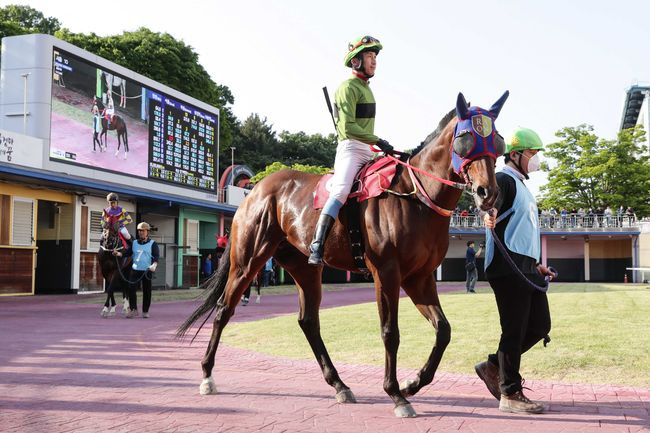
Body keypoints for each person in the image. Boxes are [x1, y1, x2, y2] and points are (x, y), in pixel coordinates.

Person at [474, 127, 556, 414]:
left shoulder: (522, 185)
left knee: (539, 326)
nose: (536, 159)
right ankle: (509, 394)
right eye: (532, 154)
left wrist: (537, 265)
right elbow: (487, 202)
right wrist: (488, 213)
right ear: (516, 154)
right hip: (507, 267)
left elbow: (523, 231)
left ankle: (494, 366)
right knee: (514, 330)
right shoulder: (505, 180)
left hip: (527, 268)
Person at [308, 35, 394, 265]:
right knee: (341, 190)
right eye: (369, 56)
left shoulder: (367, 89)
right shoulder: (347, 88)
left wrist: (380, 146)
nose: (374, 61)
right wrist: (378, 139)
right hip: (351, 149)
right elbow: (347, 127)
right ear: (356, 62)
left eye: (375, 56)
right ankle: (317, 244)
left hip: (367, 149)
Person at [113, 222, 159, 318]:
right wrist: (118, 254)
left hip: (147, 271)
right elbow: (127, 253)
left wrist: (154, 264)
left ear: (147, 232)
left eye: (143, 231)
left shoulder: (153, 244)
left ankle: (145, 311)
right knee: (131, 289)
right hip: (135, 269)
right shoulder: (134, 243)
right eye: (139, 231)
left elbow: (156, 256)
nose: (141, 232)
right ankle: (134, 309)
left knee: (147, 291)